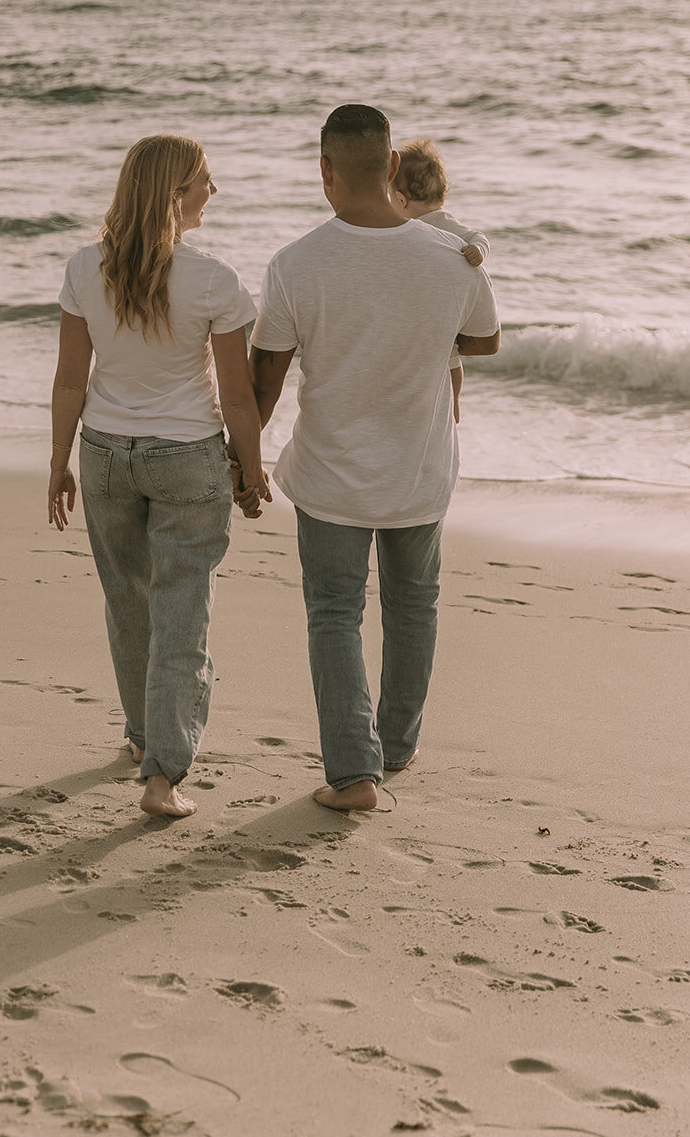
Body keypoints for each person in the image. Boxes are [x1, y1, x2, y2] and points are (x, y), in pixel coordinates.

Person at [246, 105, 500, 812]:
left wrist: (243, 460)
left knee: (333, 612)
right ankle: (396, 746)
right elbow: (484, 341)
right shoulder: (452, 259)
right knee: (413, 606)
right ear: (391, 166)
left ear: (324, 171)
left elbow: (265, 373)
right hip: (419, 467)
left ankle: (354, 774)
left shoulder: (295, 264)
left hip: (329, 471)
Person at [47, 135, 270, 820]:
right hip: (186, 458)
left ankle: (144, 733)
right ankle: (162, 774)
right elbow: (236, 398)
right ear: (177, 194)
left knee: (129, 600)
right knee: (182, 610)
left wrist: (58, 463)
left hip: (107, 453)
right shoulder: (212, 280)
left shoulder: (88, 268)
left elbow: (68, 382)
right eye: (205, 180)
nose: (213, 191)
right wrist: (251, 469)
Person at [391, 137, 490, 423]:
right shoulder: (405, 226)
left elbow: (478, 236)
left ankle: (453, 405)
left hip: (438, 312)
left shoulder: (445, 223)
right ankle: (446, 407)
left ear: (400, 199)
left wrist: (478, 252)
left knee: (451, 364)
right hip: (427, 307)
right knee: (448, 362)